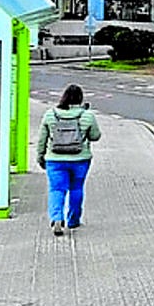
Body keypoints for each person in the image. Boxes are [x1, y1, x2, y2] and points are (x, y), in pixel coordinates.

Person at [36, 84, 101, 236]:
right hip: (80, 159)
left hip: (55, 160)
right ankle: (73, 220)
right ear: (80, 98)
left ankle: (57, 218)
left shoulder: (50, 114)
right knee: (76, 188)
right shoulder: (87, 115)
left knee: (56, 189)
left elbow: (41, 140)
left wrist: (40, 157)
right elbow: (95, 136)